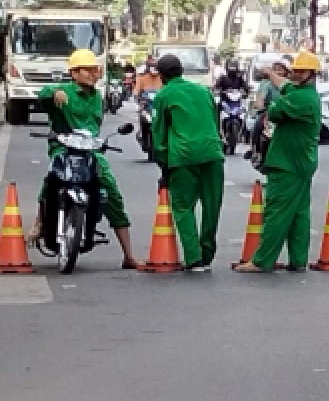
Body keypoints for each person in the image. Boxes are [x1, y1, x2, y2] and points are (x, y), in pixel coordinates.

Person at [31, 49, 140, 269]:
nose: (92, 74)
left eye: (94, 70)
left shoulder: (97, 97)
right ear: (74, 73)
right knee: (52, 179)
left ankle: (129, 255)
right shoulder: (64, 92)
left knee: (111, 191)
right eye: (86, 70)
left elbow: (94, 128)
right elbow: (43, 94)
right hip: (63, 148)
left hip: (90, 152)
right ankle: (39, 222)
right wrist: (54, 92)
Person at [234, 49, 323, 273]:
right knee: (299, 213)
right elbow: (285, 85)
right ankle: (298, 259)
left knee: (276, 212)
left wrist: (271, 100)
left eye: (300, 71)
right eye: (294, 70)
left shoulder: (300, 99)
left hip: (287, 163)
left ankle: (262, 261)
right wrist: (270, 74)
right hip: (301, 162)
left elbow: (273, 111)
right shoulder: (305, 93)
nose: (294, 73)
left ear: (310, 74)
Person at [150, 53, 226, 271]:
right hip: (212, 153)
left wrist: (163, 162)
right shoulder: (204, 91)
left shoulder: (164, 95)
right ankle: (207, 252)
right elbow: (214, 122)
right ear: (182, 71)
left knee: (183, 206)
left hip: (183, 157)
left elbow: (158, 133)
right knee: (212, 205)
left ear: (161, 75)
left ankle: (194, 258)